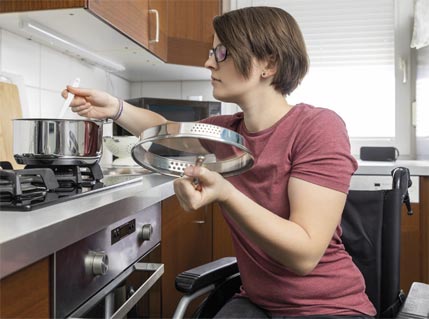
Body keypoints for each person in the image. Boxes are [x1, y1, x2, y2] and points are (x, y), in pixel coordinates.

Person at [62, 6, 375, 318]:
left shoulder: (319, 127)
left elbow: (304, 255)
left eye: (222, 52)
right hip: (258, 303)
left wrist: (226, 193)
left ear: (268, 63)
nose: (208, 62)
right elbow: (163, 132)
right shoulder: (227, 132)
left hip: (328, 307)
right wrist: (115, 107)